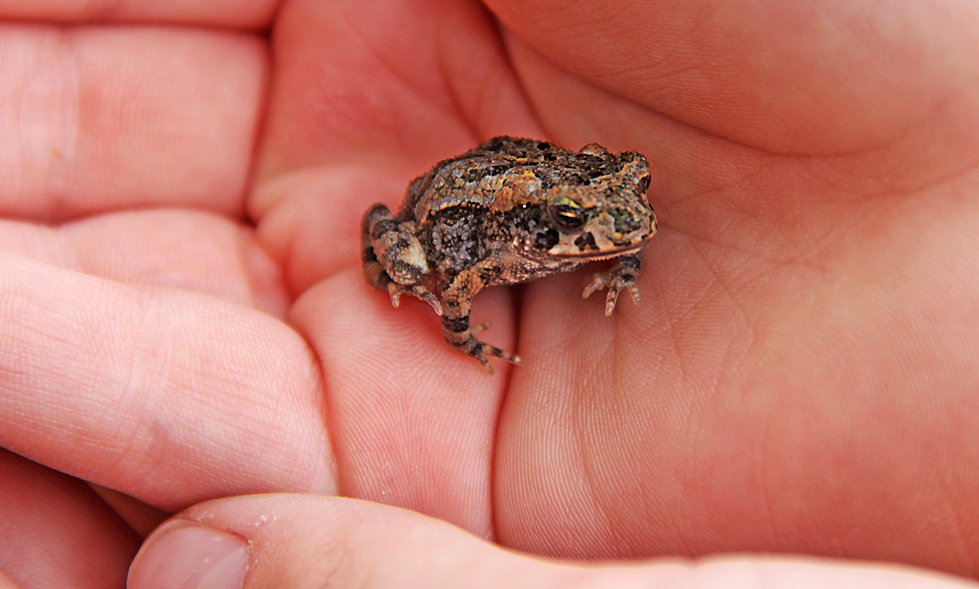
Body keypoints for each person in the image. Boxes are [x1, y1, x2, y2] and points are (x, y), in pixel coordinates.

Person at [0, 0, 977, 587]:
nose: (623, 234)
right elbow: (460, 276)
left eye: (624, 210)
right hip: (444, 216)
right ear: (549, 235)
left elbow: (618, 228)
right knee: (412, 266)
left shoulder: (598, 223)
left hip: (514, 184)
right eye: (595, 235)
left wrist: (621, 263)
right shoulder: (512, 244)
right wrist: (462, 339)